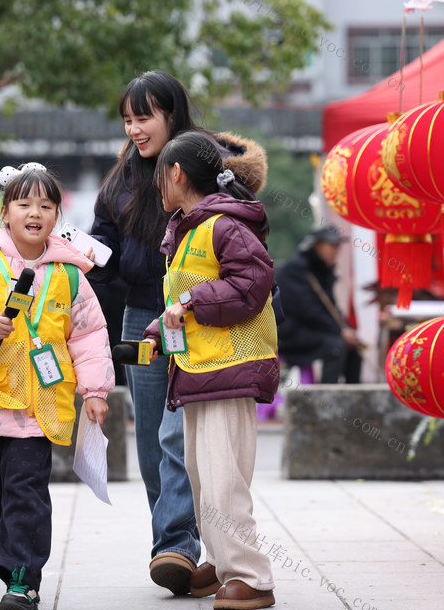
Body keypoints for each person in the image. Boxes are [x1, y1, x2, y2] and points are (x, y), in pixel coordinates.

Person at [89, 69, 266, 594]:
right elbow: (107, 251)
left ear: (172, 114)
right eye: (126, 119)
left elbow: (245, 258)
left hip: (202, 321)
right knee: (152, 441)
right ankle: (180, 547)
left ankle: (177, 545)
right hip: (144, 316)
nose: (134, 129)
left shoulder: (213, 167)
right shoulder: (122, 177)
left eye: (143, 117)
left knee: (179, 438)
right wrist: (87, 261)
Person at [0, 163, 112, 610]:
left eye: (46, 205)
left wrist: (95, 392)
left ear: (57, 216)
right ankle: (12, 563)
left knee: (26, 492)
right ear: (5, 212)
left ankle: (24, 579)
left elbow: (90, 338)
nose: (35, 212)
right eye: (24, 203)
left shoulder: (72, 277)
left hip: (38, 411)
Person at [142, 130, 279, 610]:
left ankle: (251, 576)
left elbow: (251, 287)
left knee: (223, 480)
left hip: (230, 369)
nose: (158, 185)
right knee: (203, 480)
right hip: (200, 371)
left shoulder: (223, 225)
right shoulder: (189, 229)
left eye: (161, 176)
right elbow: (189, 296)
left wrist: (189, 301)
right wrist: (159, 332)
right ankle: (223, 565)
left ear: (176, 174)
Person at [276, 224, 361, 384]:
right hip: (292, 334)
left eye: (337, 246)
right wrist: (340, 331)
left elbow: (331, 308)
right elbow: (308, 311)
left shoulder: (322, 269)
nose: (336, 251)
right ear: (317, 245)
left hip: (313, 330)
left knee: (353, 348)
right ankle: (326, 402)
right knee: (336, 347)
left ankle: (352, 403)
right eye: (332, 246)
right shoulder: (297, 269)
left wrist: (347, 328)